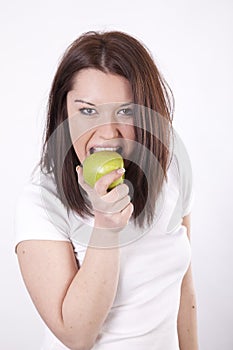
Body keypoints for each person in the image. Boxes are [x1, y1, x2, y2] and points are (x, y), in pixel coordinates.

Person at [15, 31, 199, 350]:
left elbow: (183, 289)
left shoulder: (172, 173)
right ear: (64, 113)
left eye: (125, 111)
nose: (107, 132)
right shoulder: (40, 202)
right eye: (87, 111)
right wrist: (106, 226)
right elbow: (76, 335)